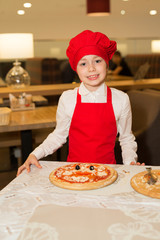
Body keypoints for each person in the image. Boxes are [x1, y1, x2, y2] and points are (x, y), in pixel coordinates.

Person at [17, 30, 144, 176]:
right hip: (74, 172)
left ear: (107, 64)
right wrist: (35, 154)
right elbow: (58, 136)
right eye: (83, 63)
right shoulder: (67, 98)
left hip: (108, 172)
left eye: (97, 61)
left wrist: (131, 163)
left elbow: (127, 139)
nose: (91, 68)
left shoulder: (121, 99)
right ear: (76, 70)